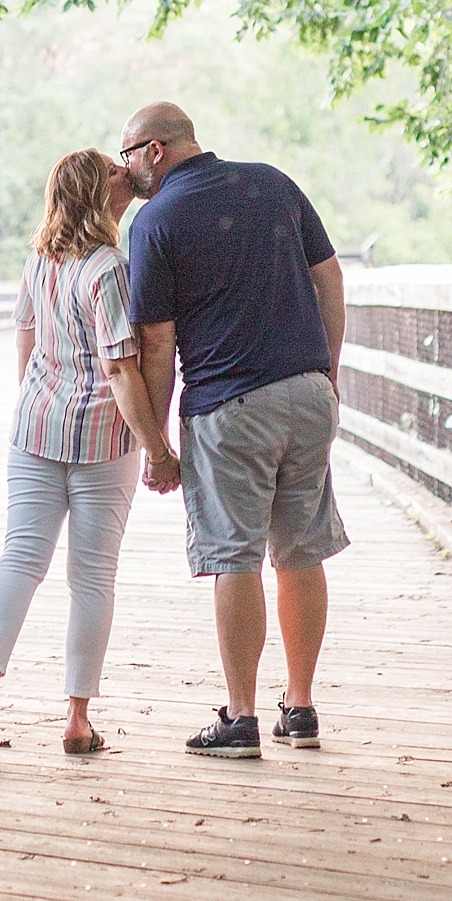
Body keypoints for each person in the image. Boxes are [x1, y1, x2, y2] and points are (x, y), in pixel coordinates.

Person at [120, 101, 348, 760]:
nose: (126, 167)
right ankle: (299, 706)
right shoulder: (273, 183)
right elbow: (328, 276)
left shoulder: (154, 221)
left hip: (227, 405)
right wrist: (326, 371)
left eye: (127, 153)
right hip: (307, 393)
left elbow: (156, 346)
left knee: (234, 555)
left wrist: (157, 445)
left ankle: (241, 717)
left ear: (154, 149)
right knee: (301, 550)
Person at [0, 148, 179, 764]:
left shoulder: (40, 259)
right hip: (100, 438)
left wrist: (37, 401)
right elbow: (118, 365)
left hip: (35, 427)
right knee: (92, 578)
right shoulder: (109, 267)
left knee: (20, 557)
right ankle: (78, 720)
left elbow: (25, 340)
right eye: (115, 169)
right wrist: (157, 450)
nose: (125, 173)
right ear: (96, 191)